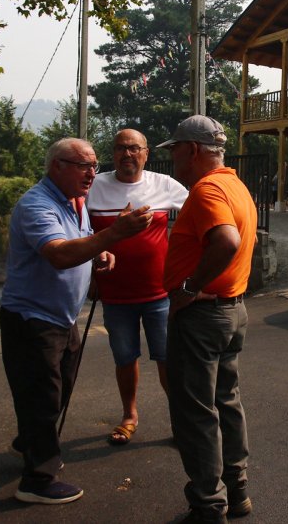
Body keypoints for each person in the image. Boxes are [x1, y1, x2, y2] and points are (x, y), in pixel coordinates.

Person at [0, 138, 152, 505]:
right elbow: (57, 254)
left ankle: (31, 439)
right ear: (57, 166)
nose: (91, 173)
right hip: (32, 318)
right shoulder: (37, 204)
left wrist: (101, 254)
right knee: (43, 396)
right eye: (83, 166)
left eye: (95, 166)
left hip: (62, 318)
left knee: (58, 389)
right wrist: (114, 233)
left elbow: (81, 242)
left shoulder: (74, 203)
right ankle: (37, 480)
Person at [159, 116, 258, 524]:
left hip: (201, 315)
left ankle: (208, 505)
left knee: (196, 413)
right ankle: (236, 493)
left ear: (193, 150)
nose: (174, 159)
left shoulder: (207, 190)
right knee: (226, 402)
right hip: (231, 311)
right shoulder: (234, 184)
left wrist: (187, 286)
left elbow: (226, 240)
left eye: (176, 150)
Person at [87, 128, 188, 445]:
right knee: (124, 358)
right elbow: (77, 231)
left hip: (160, 292)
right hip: (115, 294)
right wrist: (89, 272)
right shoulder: (95, 187)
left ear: (146, 153)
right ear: (112, 153)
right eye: (120, 148)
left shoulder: (165, 184)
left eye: (134, 148)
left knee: (167, 359)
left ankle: (180, 423)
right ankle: (129, 416)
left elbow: (198, 217)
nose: (126, 154)